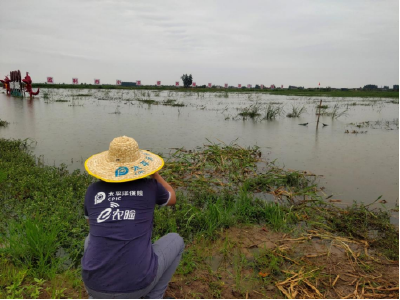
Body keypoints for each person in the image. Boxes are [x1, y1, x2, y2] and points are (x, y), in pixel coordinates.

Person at [82, 136, 184, 299]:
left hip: (93, 287)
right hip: (137, 287)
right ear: (139, 165)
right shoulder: (150, 186)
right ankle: (154, 296)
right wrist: (155, 176)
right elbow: (172, 198)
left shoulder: (93, 190)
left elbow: (91, 224)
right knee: (176, 240)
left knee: (89, 239)